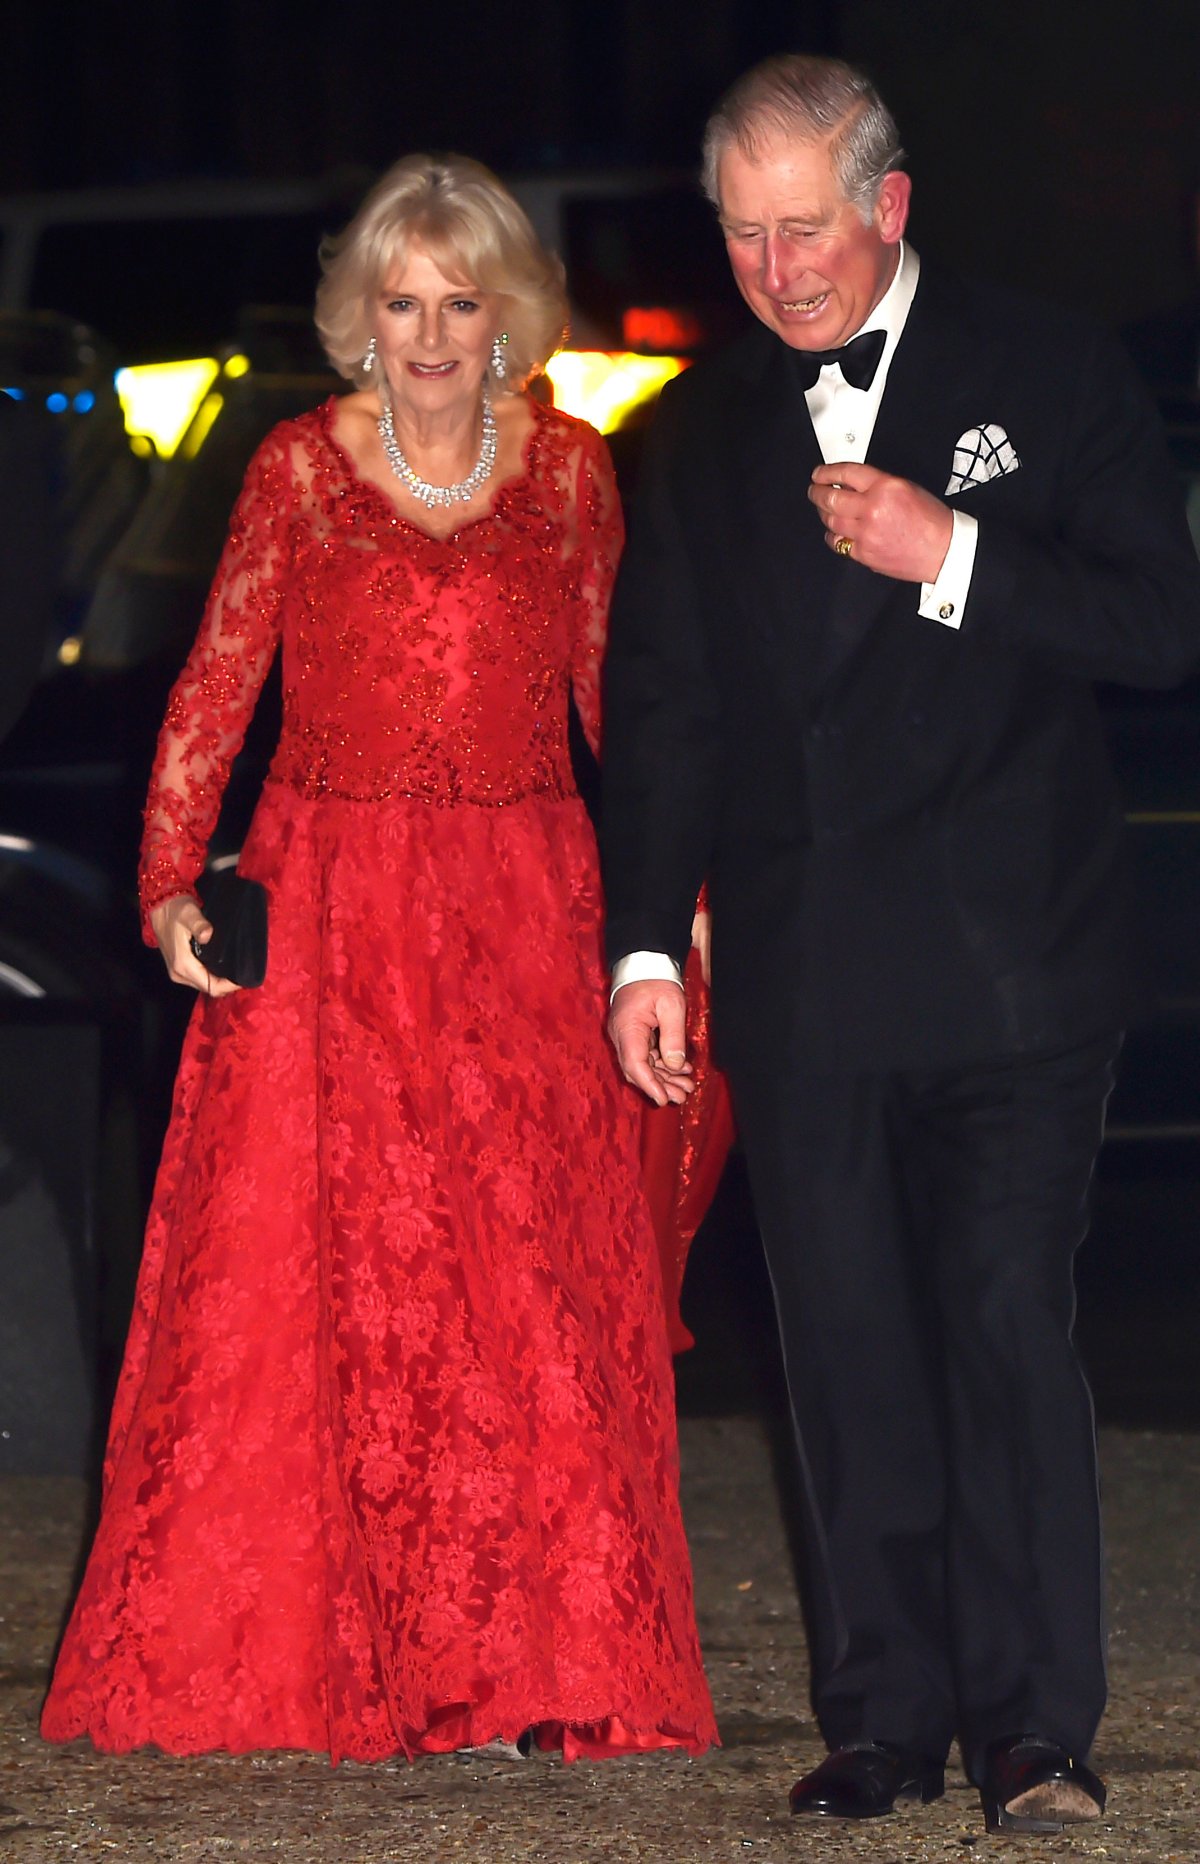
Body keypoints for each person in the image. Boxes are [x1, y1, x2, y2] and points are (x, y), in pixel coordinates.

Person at [41, 154, 716, 1765]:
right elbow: (216, 683)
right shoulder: (292, 466)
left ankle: (532, 1662)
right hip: (333, 902)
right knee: (335, 1286)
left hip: (524, 905)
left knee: (521, 1289)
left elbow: (623, 700)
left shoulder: (567, 472)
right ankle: (335, 1652)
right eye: (401, 302)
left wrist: (671, 909)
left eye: (460, 301)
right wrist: (165, 889)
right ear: (360, 315)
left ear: (509, 316)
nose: (428, 333)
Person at [602, 53, 1200, 1835]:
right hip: (802, 966)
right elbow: (667, 710)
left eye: (809, 230)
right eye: (744, 235)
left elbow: (1161, 623)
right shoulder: (694, 433)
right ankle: (884, 1719)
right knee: (845, 1340)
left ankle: (1034, 1729)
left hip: (1016, 957)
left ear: (893, 205)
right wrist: (644, 947)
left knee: (1004, 1319)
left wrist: (954, 553)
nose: (782, 272)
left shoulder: (1045, 362)